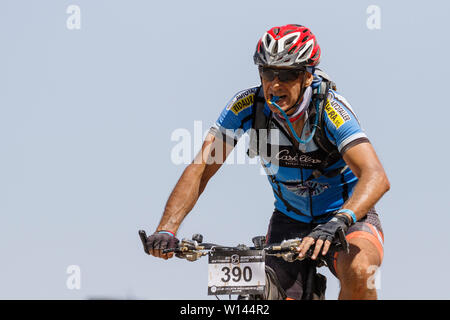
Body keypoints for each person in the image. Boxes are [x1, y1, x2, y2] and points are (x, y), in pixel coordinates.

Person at [143, 24, 390, 300]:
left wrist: (340, 220)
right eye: (267, 73)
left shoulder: (330, 108)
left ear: (307, 76)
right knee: (257, 294)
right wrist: (167, 228)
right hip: (290, 219)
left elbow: (376, 176)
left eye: (287, 75)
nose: (275, 84)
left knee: (359, 272)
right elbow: (201, 168)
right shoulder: (247, 105)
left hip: (345, 218)